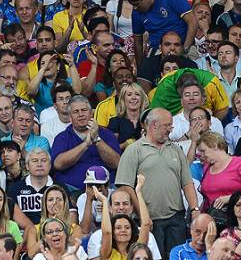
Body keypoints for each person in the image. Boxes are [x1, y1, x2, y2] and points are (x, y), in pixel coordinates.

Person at [115, 108, 200, 254]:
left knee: (177, 256)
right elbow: (125, 186)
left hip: (176, 218)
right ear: (153, 125)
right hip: (149, 221)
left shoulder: (176, 149)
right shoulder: (133, 150)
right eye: (167, 125)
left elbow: (187, 182)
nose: (170, 130)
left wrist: (195, 209)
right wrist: (143, 216)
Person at [50, 96, 121, 191]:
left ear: (91, 113)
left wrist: (97, 139)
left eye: (84, 110)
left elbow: (116, 163)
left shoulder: (107, 134)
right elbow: (58, 164)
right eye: (76, 112)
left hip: (105, 189)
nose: (80, 114)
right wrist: (85, 144)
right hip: (71, 191)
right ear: (70, 118)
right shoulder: (62, 137)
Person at [126, 0, 197, 57]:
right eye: (133, 5)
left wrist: (185, 50)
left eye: (137, 4)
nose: (135, 8)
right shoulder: (136, 12)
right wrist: (140, 67)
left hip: (183, 46)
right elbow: (138, 42)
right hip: (157, 50)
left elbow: (193, 23)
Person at [96, 175, 151, 260]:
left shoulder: (136, 252)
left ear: (132, 231)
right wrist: (104, 201)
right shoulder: (107, 253)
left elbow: (146, 224)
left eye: (127, 227)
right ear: (112, 232)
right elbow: (106, 232)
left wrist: (139, 192)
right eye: (118, 227)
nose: (123, 230)